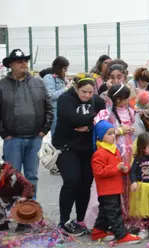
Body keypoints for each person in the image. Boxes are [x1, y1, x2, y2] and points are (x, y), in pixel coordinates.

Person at [53, 76, 105, 236]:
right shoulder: (65, 99)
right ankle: (64, 221)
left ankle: (81, 219)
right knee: (72, 181)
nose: (87, 96)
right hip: (66, 147)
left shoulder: (97, 101)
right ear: (76, 88)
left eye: (90, 92)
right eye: (84, 92)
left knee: (85, 183)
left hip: (88, 148)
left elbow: (103, 118)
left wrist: (88, 125)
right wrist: (92, 119)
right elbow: (70, 118)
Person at [0, 48, 54, 197]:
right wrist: (4, 134)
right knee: (12, 177)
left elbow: (49, 108)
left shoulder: (38, 83)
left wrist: (44, 130)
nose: (24, 64)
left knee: (32, 176)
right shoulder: (2, 86)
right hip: (13, 140)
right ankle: (12, 210)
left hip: (34, 138)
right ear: (11, 65)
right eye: (19, 61)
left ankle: (31, 211)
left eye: (25, 61)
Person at [91, 120, 141, 244]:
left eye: (114, 133)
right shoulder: (99, 153)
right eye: (109, 134)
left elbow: (118, 168)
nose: (113, 136)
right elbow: (99, 172)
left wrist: (124, 169)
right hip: (106, 189)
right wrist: (116, 168)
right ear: (101, 136)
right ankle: (121, 235)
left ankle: (98, 231)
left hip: (114, 187)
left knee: (105, 211)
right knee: (114, 213)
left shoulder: (113, 150)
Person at [0, 162, 34, 232]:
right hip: (6, 196)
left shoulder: (13, 175)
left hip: (19, 195)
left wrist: (24, 196)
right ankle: (3, 223)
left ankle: (23, 223)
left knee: (20, 204)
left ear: (2, 171)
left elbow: (28, 185)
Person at [43, 56, 71, 135]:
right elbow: (51, 95)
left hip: (64, 108)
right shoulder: (49, 78)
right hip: (55, 109)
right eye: (64, 68)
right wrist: (66, 88)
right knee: (56, 132)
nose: (66, 71)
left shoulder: (61, 78)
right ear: (59, 67)